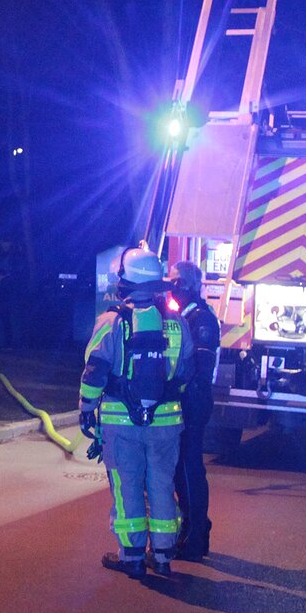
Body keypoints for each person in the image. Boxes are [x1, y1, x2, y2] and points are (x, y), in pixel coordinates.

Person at [80, 247, 191, 577]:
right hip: (167, 424)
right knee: (161, 484)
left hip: (120, 423)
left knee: (126, 484)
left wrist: (87, 411)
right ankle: (163, 555)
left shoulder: (111, 321)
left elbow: (94, 371)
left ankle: (131, 557)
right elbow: (185, 373)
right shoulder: (177, 323)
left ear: (124, 281)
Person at [168, 260, 221, 559]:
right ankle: (194, 528)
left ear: (190, 285)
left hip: (194, 400)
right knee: (181, 469)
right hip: (187, 399)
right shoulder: (186, 314)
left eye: (178, 282)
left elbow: (199, 367)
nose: (173, 287)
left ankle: (196, 536)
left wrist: (176, 387)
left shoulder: (200, 318)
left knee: (188, 470)